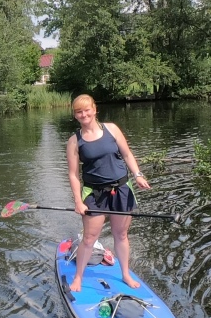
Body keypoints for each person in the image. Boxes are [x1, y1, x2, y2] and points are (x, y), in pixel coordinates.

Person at [65, 94, 151, 293]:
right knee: (89, 238)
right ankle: (78, 277)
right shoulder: (74, 141)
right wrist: (78, 201)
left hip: (121, 189)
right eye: (79, 112)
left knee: (121, 234)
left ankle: (126, 274)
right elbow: (73, 174)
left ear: (95, 109)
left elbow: (127, 154)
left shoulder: (112, 129)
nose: (84, 114)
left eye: (87, 110)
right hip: (94, 194)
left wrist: (138, 175)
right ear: (75, 115)